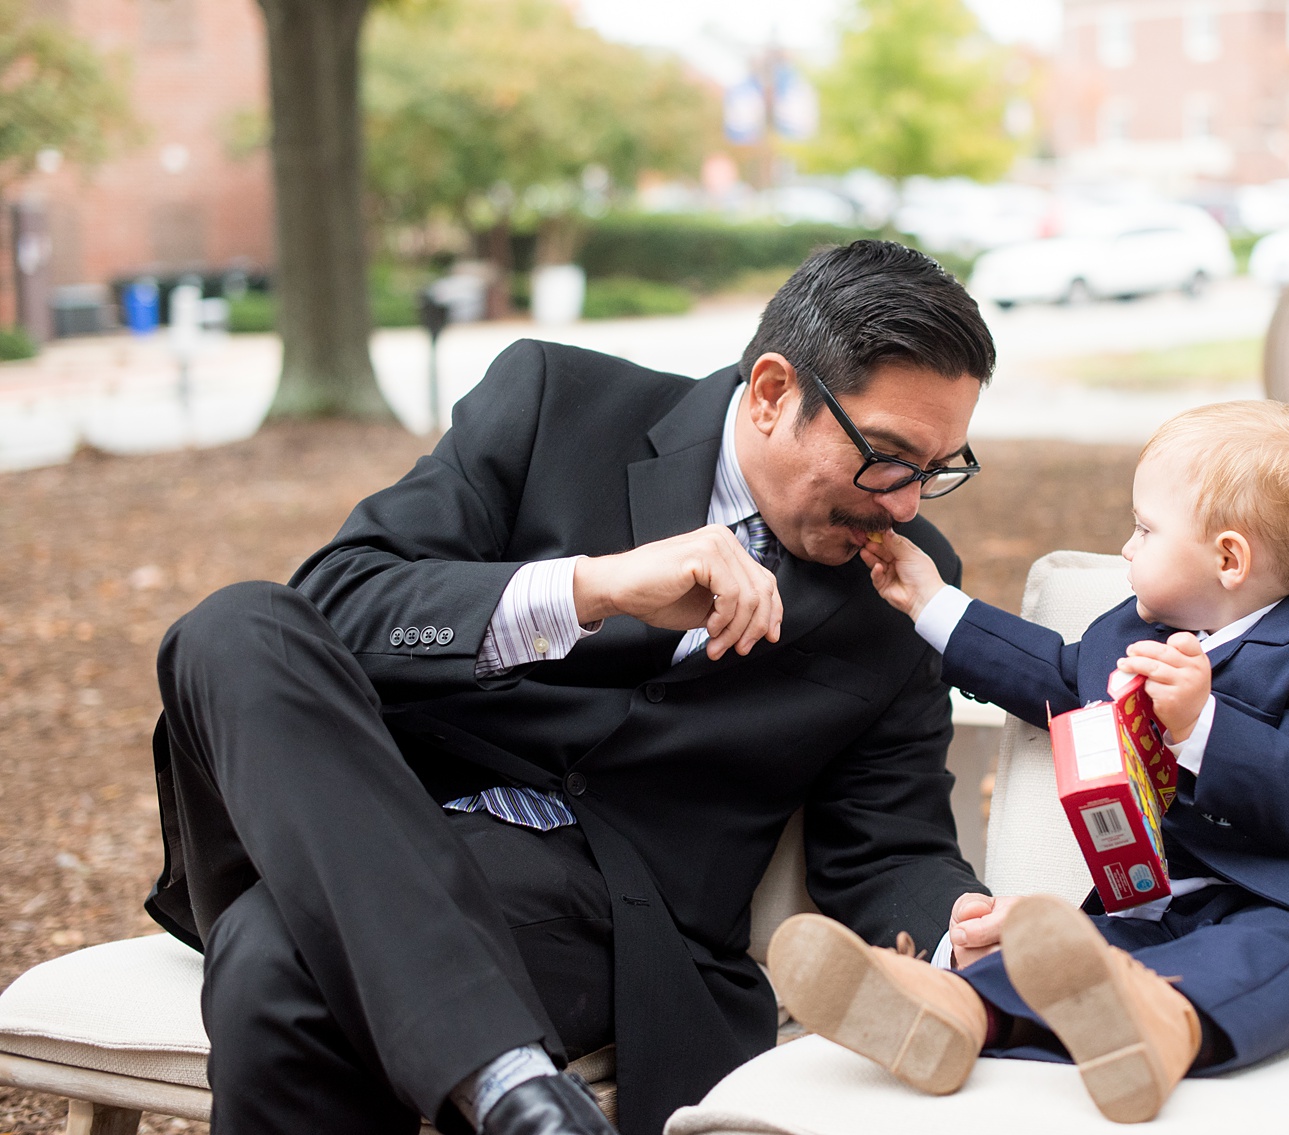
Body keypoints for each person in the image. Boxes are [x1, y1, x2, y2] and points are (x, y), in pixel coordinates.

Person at [143, 241, 996, 1135]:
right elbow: (341, 602)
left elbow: (888, 844)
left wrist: (962, 926)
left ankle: (504, 1080)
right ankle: (509, 1081)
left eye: (938, 470)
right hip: (337, 806)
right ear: (775, 391)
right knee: (234, 624)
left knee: (275, 959)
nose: (905, 505)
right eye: (888, 457)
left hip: (593, 907)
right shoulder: (555, 401)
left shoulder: (906, 583)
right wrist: (590, 587)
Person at [768, 399, 1289, 1124]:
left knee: (1257, 961)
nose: (1128, 548)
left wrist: (1202, 725)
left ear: (1229, 558)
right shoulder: (1131, 631)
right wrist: (931, 602)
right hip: (1157, 906)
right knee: (1075, 962)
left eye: (1144, 529)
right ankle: (951, 1009)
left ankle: (1164, 1029)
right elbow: (1050, 674)